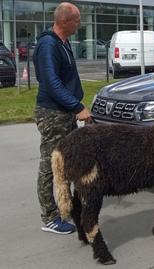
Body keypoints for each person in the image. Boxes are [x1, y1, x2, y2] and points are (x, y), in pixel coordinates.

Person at [33, 2, 91, 234]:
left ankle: (66, 206)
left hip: (63, 112)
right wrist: (77, 107)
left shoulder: (63, 42)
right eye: (77, 21)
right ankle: (49, 217)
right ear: (65, 21)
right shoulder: (48, 44)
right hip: (52, 114)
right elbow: (51, 83)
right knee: (51, 163)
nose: (80, 24)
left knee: (66, 162)